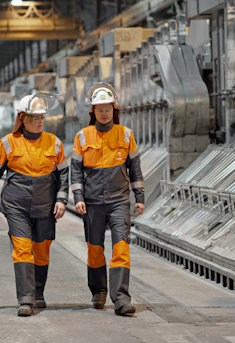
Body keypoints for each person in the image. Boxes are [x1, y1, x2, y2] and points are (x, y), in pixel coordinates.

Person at [0, 93, 69, 316]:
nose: (40, 121)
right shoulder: (8, 143)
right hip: (16, 205)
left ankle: (38, 293)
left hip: (45, 206)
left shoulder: (54, 142)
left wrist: (61, 199)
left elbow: (64, 174)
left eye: (42, 118)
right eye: (34, 117)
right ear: (22, 118)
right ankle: (25, 299)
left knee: (42, 250)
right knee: (22, 249)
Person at [70, 82, 144, 316]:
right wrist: (78, 197)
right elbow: (75, 171)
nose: (104, 113)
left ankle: (121, 298)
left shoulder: (126, 134)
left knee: (121, 247)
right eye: (99, 109)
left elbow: (135, 169)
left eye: (108, 109)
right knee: (95, 249)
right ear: (93, 112)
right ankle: (98, 291)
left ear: (114, 110)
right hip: (92, 203)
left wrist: (139, 197)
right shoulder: (82, 137)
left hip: (119, 201)